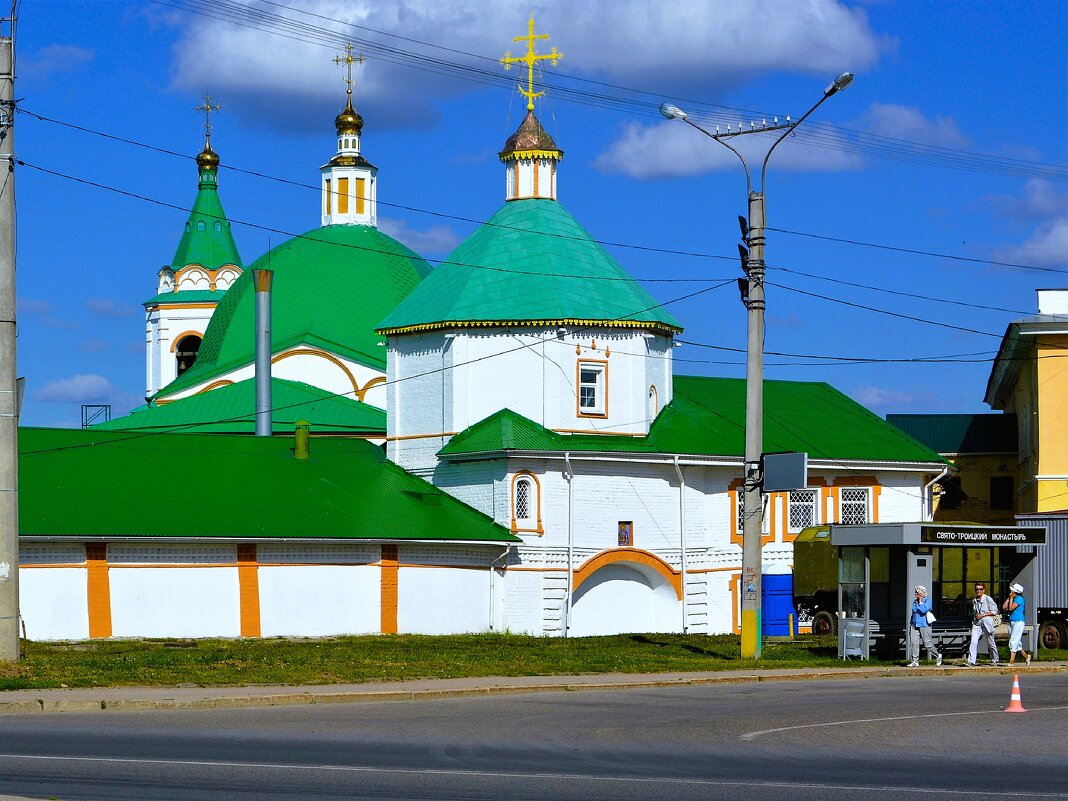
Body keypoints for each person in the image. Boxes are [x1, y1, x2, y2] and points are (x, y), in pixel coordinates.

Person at [966, 582, 999, 666]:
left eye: (980, 589)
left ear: (983, 590)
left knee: (991, 642)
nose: (978, 591)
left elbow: (995, 611)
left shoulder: (988, 599)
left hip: (987, 623)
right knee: (973, 641)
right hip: (977, 623)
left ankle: (995, 659)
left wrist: (983, 615)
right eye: (977, 589)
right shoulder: (974, 600)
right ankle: (971, 661)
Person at [908, 585, 942, 667]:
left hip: (924, 625)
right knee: (914, 643)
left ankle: (938, 655)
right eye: (915, 592)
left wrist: (920, 601)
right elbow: (914, 613)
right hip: (914, 625)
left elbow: (923, 610)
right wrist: (911, 624)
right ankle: (915, 661)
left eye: (917, 592)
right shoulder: (914, 602)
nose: (915, 594)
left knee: (927, 644)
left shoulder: (927, 601)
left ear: (922, 593)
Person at [1003, 582, 1032, 666]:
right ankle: (1026, 656)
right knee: (1017, 642)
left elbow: (1010, 608)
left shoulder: (1019, 599)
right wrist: (1009, 598)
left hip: (1018, 622)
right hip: (1012, 622)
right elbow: (1004, 607)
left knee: (1013, 641)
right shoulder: (1012, 599)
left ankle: (1011, 662)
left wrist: (1011, 598)